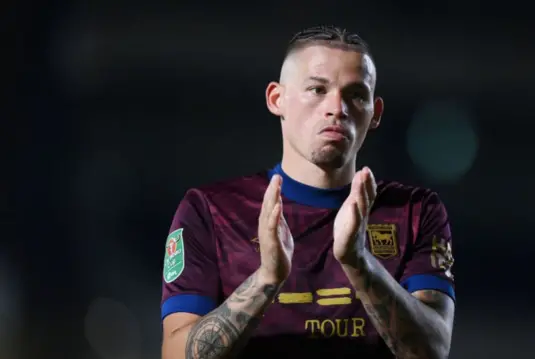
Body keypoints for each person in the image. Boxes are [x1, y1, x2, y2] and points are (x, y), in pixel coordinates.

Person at [160, 25, 456, 359]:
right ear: (277, 99)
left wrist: (358, 263)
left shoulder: (415, 211)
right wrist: (266, 279)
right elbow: (174, 354)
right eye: (317, 89)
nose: (337, 108)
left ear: (376, 114)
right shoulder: (210, 210)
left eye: (356, 94)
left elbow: (432, 352)